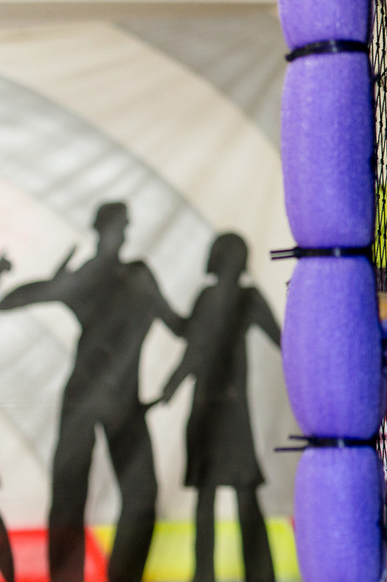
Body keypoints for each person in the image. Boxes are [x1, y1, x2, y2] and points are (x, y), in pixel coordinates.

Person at [0, 202, 185, 582]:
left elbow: (180, 325)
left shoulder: (129, 275)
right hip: (89, 399)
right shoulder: (97, 275)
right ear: (108, 229)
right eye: (118, 226)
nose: (120, 233)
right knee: (73, 495)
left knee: (134, 496)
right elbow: (18, 299)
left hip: (117, 400)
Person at [159, 233, 280, 582]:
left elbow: (193, 350)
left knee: (225, 497)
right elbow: (194, 349)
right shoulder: (231, 298)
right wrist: (171, 385)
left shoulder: (234, 298)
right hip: (214, 409)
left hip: (221, 409)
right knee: (219, 497)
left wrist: (172, 385)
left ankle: (237, 574)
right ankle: (226, 575)